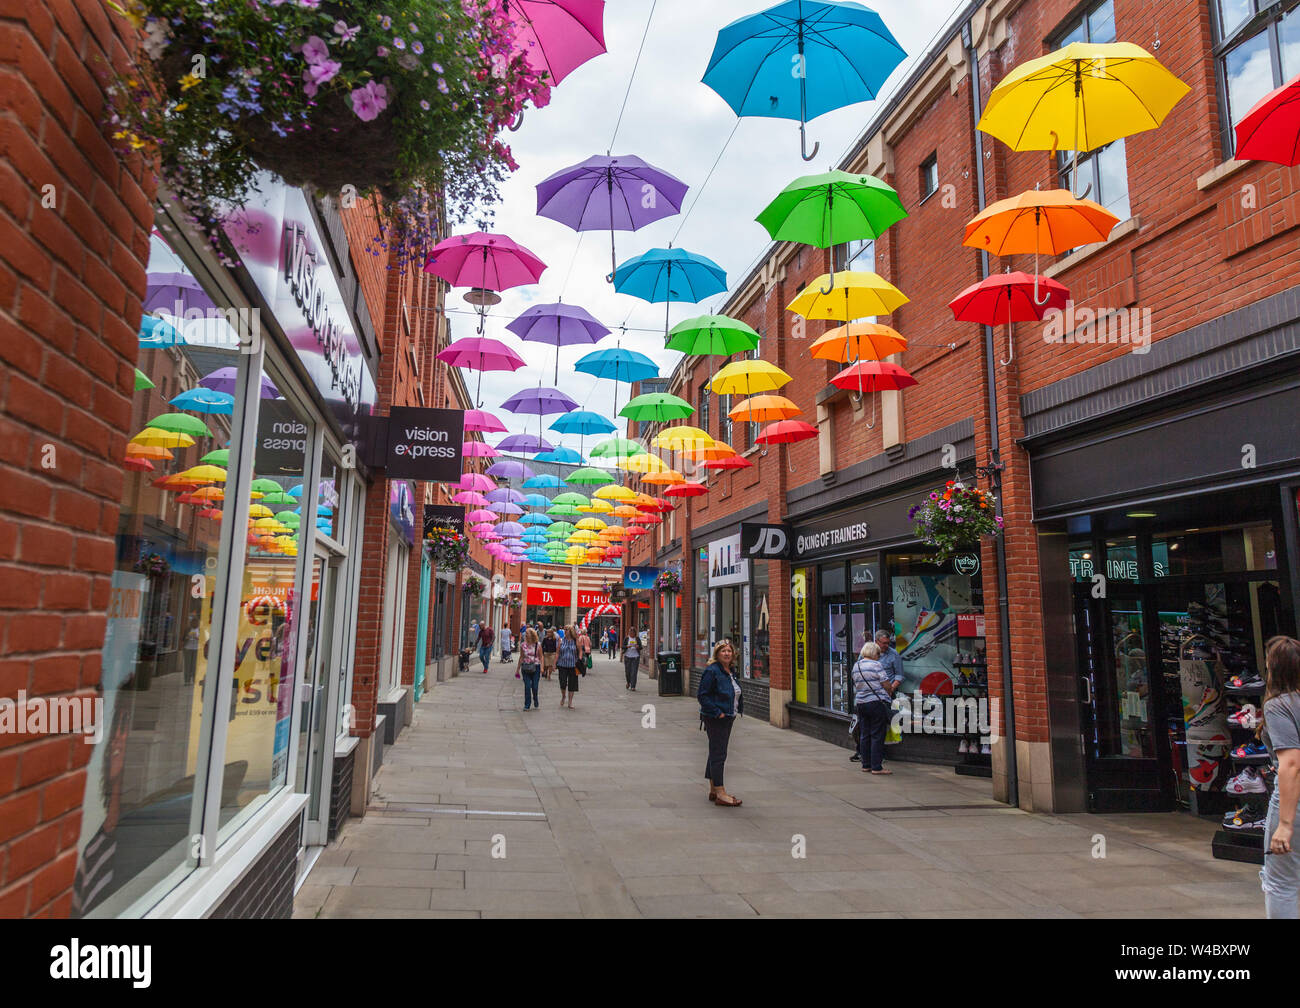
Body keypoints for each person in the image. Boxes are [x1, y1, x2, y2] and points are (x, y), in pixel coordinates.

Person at [1260, 636, 1300, 918]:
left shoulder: (1278, 705)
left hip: (1293, 803)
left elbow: (1291, 763)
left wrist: (1285, 824)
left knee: (1281, 883)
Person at [698, 640, 743, 807]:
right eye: (723, 651)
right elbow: (702, 696)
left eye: (729, 651)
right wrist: (718, 713)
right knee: (719, 754)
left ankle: (713, 789)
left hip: (728, 716)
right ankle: (721, 792)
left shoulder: (730, 670)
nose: (726, 653)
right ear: (717, 654)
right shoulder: (712, 671)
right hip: (717, 718)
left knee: (714, 752)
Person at [852, 641, 894, 775]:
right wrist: (889, 692)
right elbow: (886, 684)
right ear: (873, 653)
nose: (879, 656)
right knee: (877, 734)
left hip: (861, 703)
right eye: (878, 653)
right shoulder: (876, 665)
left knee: (865, 734)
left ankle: (866, 764)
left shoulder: (856, 666)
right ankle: (877, 767)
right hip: (876, 702)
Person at [515, 627, 542, 711]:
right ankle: (527, 704)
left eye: (527, 633)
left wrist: (542, 668)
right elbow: (521, 657)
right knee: (527, 686)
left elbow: (541, 657)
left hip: (536, 667)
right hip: (525, 667)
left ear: (532, 634)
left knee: (534, 686)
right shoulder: (523, 645)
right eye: (525, 633)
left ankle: (535, 699)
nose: (525, 635)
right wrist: (517, 669)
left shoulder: (538, 644)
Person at [556, 624, 579, 709]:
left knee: (572, 684)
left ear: (571, 631)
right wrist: (555, 663)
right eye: (565, 629)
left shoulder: (575, 640)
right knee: (562, 683)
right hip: (562, 665)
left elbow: (580, 650)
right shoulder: (561, 640)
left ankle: (570, 702)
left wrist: (579, 659)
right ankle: (563, 696)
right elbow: (558, 652)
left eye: (567, 629)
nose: (565, 631)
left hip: (573, 665)